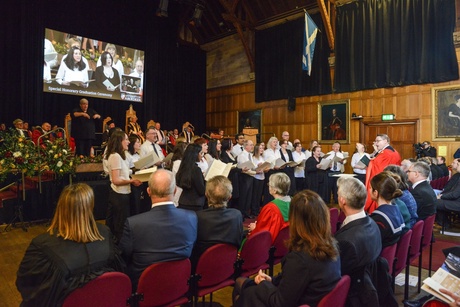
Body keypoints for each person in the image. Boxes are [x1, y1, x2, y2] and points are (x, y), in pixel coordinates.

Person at [16, 183, 124, 307]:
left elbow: (26, 286)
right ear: (91, 207)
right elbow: (119, 275)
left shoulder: (42, 246)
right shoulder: (105, 234)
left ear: (61, 207)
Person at [233, 190, 341, 307]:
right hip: (304, 297)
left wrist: (264, 284)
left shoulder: (300, 258)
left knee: (245, 290)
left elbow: (280, 302)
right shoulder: (331, 245)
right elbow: (293, 281)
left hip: (293, 301)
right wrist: (271, 281)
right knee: (243, 285)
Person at [119, 169, 197, 288]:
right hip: (179, 285)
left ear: (148, 191)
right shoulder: (191, 217)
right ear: (175, 191)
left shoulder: (134, 224)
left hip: (145, 289)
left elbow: (123, 258)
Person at [335, 177, 383, 305]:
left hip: (352, 297)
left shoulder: (346, 241)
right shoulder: (373, 223)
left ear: (342, 200)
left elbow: (335, 276)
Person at [191, 176, 243, 269]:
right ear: (230, 197)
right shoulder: (237, 215)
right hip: (228, 267)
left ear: (206, 194)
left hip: (201, 269)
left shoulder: (196, 217)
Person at [105, 130, 142, 243]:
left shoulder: (121, 155)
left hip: (123, 193)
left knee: (118, 222)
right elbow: (116, 180)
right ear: (119, 141)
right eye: (125, 139)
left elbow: (126, 172)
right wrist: (131, 181)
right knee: (120, 225)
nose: (128, 142)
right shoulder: (115, 156)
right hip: (119, 194)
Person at [247, 172, 291, 243]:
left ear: (274, 190)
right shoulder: (295, 202)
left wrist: (255, 228)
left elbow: (264, 233)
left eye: (269, 185)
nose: (268, 187)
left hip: (273, 245)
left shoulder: (270, 208)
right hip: (288, 243)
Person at [365, 134, 401, 213]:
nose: (376, 143)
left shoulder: (385, 154)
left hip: (382, 187)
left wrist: (370, 162)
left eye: (378, 141)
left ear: (385, 141)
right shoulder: (393, 151)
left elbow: (377, 172)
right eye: (375, 141)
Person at [369, 171, 405, 247]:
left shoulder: (378, 219)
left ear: (375, 193)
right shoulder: (396, 209)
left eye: (370, 187)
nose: (368, 190)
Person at [176, 143, 206, 211]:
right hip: (195, 203)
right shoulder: (196, 169)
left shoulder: (183, 167)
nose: (202, 156)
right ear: (196, 154)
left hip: (183, 201)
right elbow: (201, 191)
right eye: (201, 153)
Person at [435, 158, 460, 227]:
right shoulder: (458, 175)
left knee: (436, 202)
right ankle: (445, 222)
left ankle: (444, 224)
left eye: (458, 164)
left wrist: (441, 196)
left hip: (458, 203)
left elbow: (455, 194)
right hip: (457, 200)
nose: (457, 166)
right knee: (438, 201)